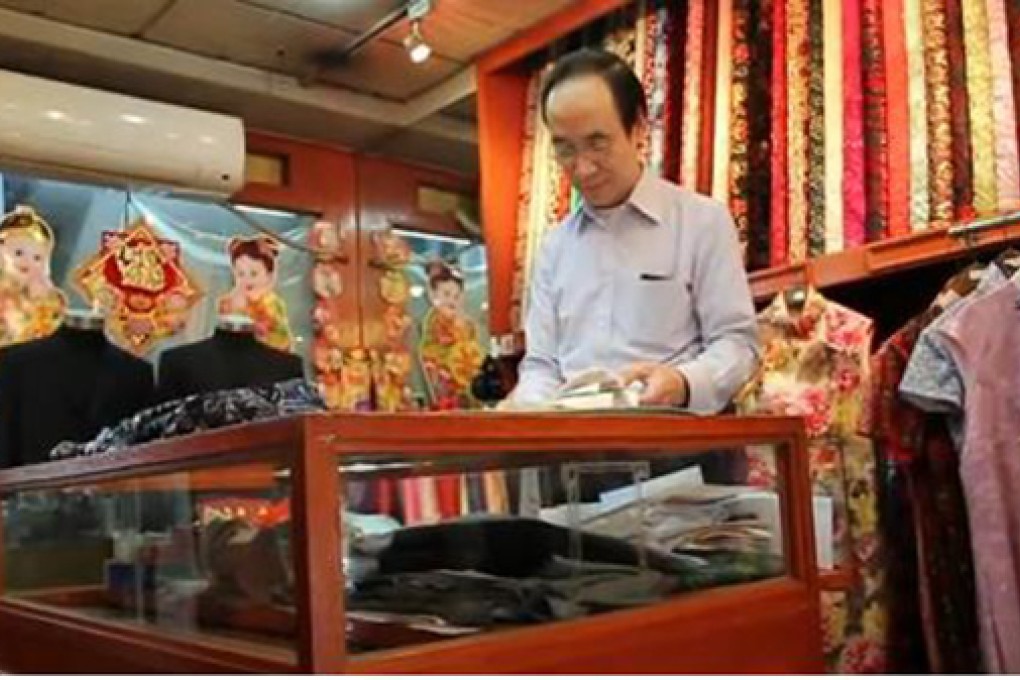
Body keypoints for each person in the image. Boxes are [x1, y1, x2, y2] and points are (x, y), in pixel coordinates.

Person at [511, 49, 759, 413]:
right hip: (574, 455)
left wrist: (683, 383)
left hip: (678, 450)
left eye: (598, 143)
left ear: (639, 128)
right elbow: (541, 364)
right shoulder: (554, 248)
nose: (582, 168)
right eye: (565, 149)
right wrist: (531, 409)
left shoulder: (702, 222)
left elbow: (738, 343)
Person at [0, 205, 67, 346]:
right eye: (18, 253)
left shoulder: (49, 299)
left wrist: (43, 300)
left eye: (37, 258)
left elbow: (51, 331)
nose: (27, 262)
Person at [218, 236, 293, 352]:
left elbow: (276, 334)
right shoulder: (231, 300)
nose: (246, 280)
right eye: (240, 274)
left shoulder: (271, 302)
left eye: (254, 274)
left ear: (269, 275)